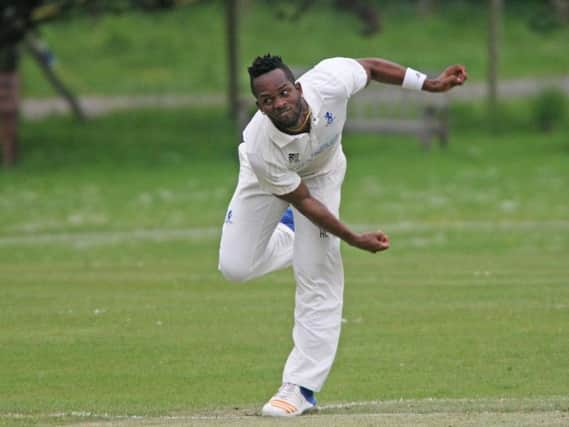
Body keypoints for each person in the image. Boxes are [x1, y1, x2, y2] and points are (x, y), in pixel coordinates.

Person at [218, 54, 467, 417]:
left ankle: (300, 389)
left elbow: (369, 67)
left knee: (318, 272)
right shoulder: (260, 144)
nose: (279, 103)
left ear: (298, 87)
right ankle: (292, 235)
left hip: (322, 173)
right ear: (259, 106)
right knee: (235, 267)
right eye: (268, 101)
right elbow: (301, 200)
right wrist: (353, 238)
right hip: (271, 180)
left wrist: (429, 83)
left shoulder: (329, 82)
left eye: (284, 92)